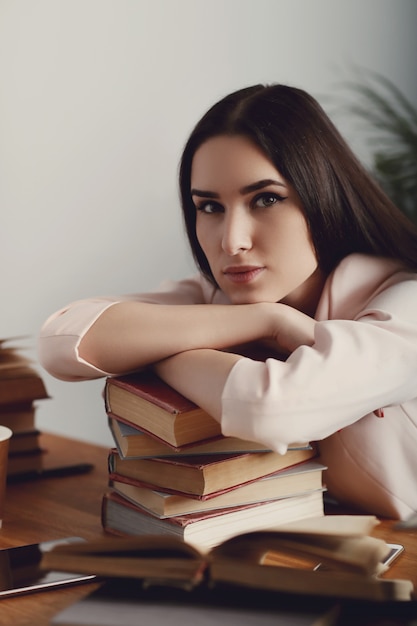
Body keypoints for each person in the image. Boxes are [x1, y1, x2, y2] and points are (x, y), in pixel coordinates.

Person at [38, 84, 417, 521]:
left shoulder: (402, 305)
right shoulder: (223, 301)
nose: (232, 241)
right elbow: (64, 339)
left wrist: (159, 350)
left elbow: (268, 408)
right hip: (292, 542)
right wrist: (266, 320)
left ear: (322, 197)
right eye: (210, 207)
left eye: (266, 199)